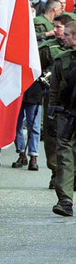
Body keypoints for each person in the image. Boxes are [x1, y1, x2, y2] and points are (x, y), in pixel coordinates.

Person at [49, 21, 76, 217]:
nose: (63, 37)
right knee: (64, 156)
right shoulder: (61, 60)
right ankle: (65, 200)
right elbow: (54, 91)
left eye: (67, 35)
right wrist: (52, 116)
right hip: (67, 115)